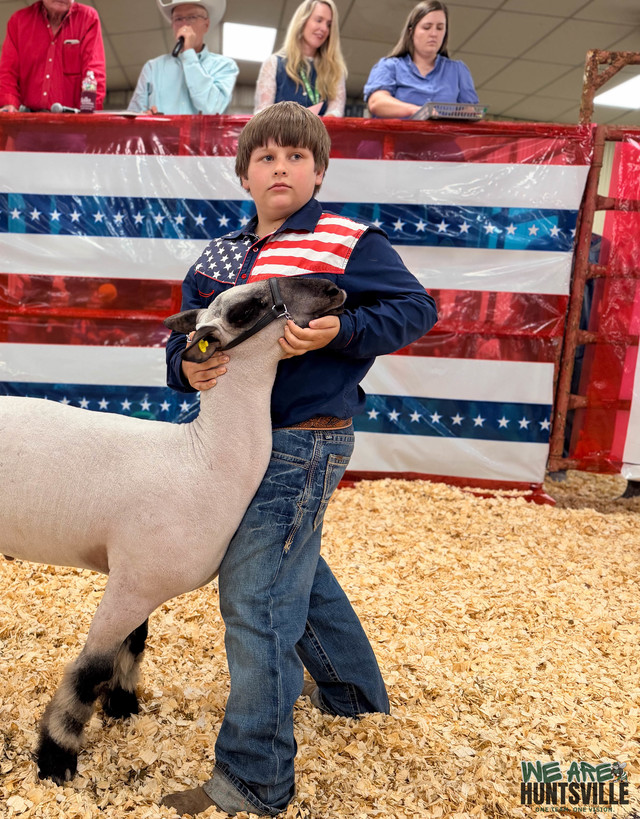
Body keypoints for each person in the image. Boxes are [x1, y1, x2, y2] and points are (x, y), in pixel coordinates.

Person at [160, 101, 438, 816]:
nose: (279, 168)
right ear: (244, 172)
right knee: (292, 568)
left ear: (318, 169)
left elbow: (414, 308)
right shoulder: (220, 257)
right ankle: (352, 693)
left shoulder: (346, 239)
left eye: (294, 157)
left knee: (255, 595)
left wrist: (341, 329)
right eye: (265, 158)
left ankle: (254, 779)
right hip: (229, 440)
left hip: (303, 436)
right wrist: (183, 369)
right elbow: (187, 337)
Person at [363, 0, 478, 118]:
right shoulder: (389, 66)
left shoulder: (458, 70)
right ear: (411, 31)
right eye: (427, 27)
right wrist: (418, 111)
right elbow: (376, 102)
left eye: (440, 28)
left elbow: (471, 113)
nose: (434, 33)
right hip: (397, 136)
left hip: (441, 136)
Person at [0, 0, 106, 113]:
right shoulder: (18, 21)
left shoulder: (88, 18)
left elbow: (94, 72)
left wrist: (89, 118)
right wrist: (8, 104)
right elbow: (8, 73)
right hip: (27, 123)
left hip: (73, 125)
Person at [127, 0, 238, 115]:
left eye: (192, 17)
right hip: (163, 133)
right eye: (178, 19)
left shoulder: (224, 66)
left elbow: (213, 109)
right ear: (173, 26)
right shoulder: (152, 68)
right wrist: (144, 117)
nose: (184, 25)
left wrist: (188, 53)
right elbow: (132, 117)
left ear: (206, 25)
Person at [254, 0, 347, 117]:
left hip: (320, 134)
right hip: (280, 134)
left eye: (329, 24)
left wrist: (319, 123)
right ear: (302, 21)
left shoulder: (335, 70)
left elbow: (336, 112)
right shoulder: (273, 64)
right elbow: (261, 115)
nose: (324, 28)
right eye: (319, 20)